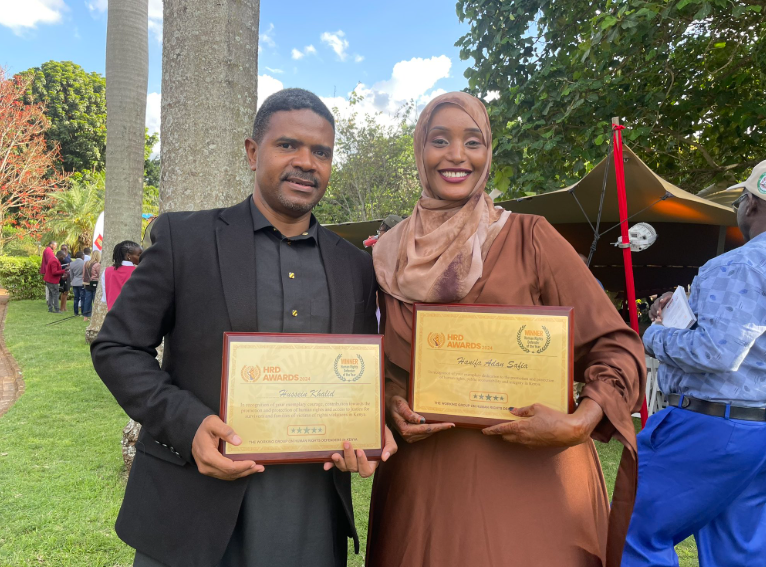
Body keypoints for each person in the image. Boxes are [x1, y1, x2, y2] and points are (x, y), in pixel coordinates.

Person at [91, 88, 396, 567]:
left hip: (309, 515)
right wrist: (187, 424)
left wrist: (370, 423)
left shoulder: (355, 266)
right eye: (287, 145)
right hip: (192, 507)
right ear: (253, 152)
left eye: (321, 152)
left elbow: (357, 373)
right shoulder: (185, 239)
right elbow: (117, 346)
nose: (306, 162)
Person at [366, 92, 645, 567]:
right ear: (419, 151)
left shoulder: (530, 237)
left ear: (488, 152)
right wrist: (394, 401)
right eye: (440, 140)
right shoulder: (387, 259)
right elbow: (389, 363)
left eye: (472, 141)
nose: (457, 155)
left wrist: (580, 421)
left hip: (537, 479)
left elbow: (614, 344)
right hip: (427, 488)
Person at [622, 160, 766, 566]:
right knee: (738, 552)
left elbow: (716, 352)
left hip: (712, 427)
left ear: (751, 204)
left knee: (633, 529)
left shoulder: (739, 264)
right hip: (757, 431)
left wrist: (655, 334)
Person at [100, 241, 142, 310]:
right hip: (133, 315)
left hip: (112, 316)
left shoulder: (106, 271)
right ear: (128, 256)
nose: (141, 257)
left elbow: (105, 298)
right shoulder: (138, 272)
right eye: (139, 255)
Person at [82, 250, 101, 321]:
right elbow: (99, 274)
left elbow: (83, 273)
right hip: (95, 283)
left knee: (88, 300)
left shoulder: (86, 263)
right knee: (95, 300)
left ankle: (86, 316)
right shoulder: (97, 265)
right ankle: (96, 316)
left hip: (87, 283)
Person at [69, 251, 85, 317]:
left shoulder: (72, 264)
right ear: (82, 256)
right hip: (82, 282)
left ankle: (76, 312)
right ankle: (83, 312)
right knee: (83, 298)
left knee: (76, 298)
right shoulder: (84, 263)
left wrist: (72, 281)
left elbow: (71, 275)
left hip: (75, 282)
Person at [58, 244, 71, 312]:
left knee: (66, 291)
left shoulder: (68, 255)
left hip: (68, 275)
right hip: (63, 275)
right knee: (63, 291)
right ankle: (61, 307)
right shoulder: (61, 256)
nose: (64, 250)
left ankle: (64, 306)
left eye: (65, 249)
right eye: (62, 249)